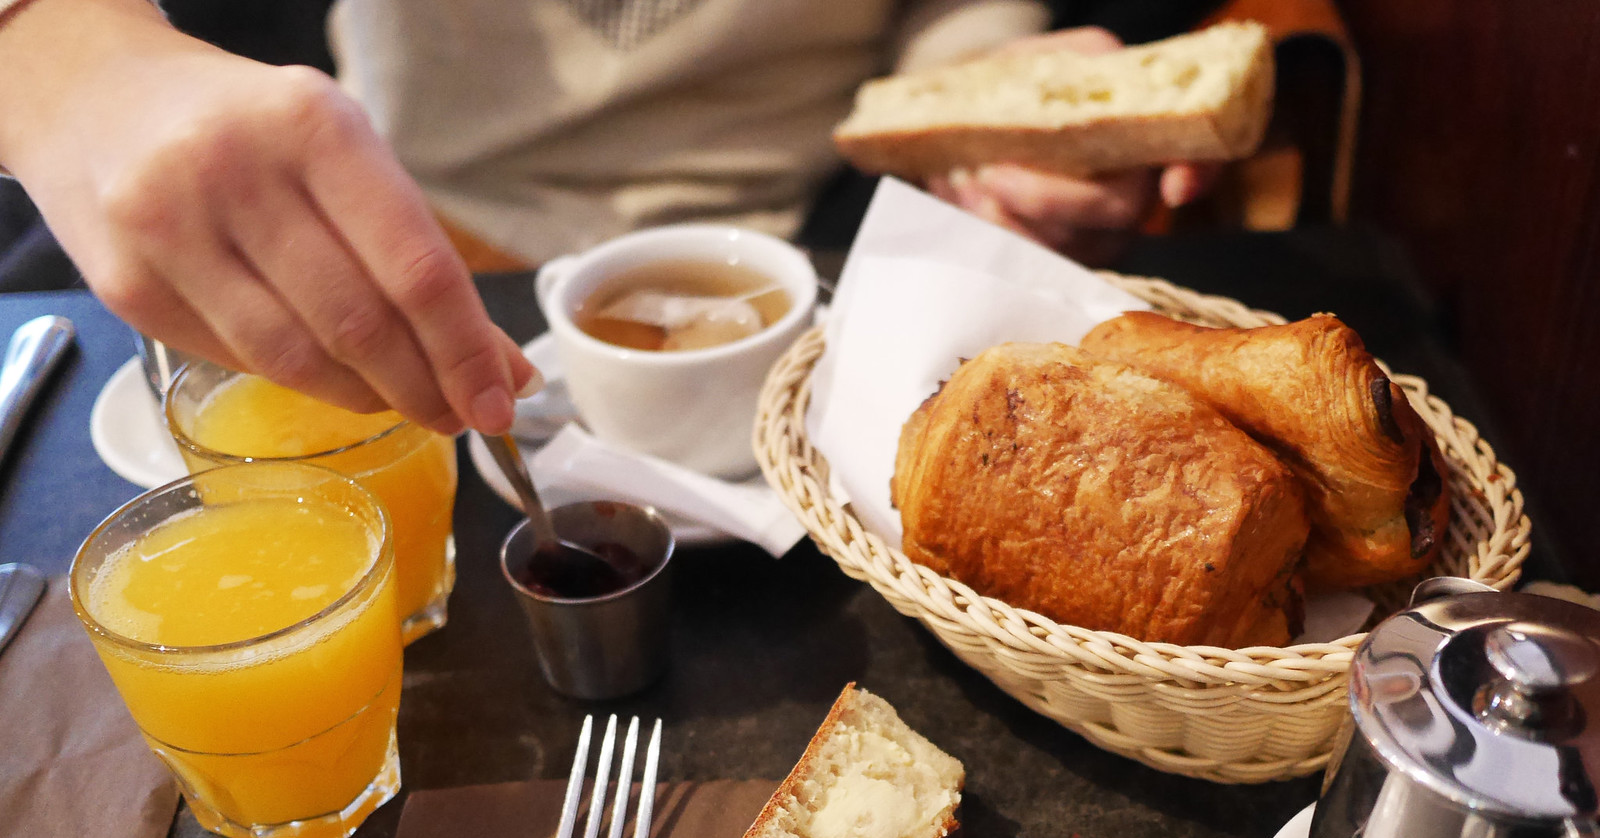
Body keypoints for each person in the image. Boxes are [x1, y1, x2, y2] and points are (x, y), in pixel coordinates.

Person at [0, 0, 1212, 436]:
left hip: (793, 255)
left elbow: (952, 25)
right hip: (382, 244)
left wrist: (1000, 111)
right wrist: (55, 50)